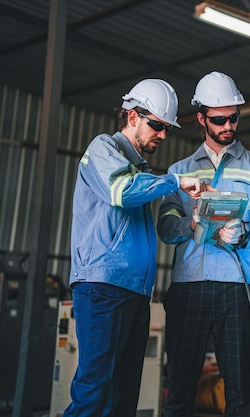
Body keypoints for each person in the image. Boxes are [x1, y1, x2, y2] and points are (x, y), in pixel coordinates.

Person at [65, 78, 204, 417]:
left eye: (166, 128)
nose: (162, 134)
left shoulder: (140, 170)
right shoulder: (103, 150)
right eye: (157, 125)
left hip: (135, 294)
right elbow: (120, 191)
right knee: (94, 391)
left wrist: (192, 224)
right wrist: (174, 180)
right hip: (102, 289)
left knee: (124, 397)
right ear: (132, 117)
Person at [157, 71, 250, 417]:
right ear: (201, 119)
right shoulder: (179, 171)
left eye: (234, 117)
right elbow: (165, 227)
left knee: (240, 393)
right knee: (179, 389)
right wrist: (190, 223)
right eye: (219, 119)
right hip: (189, 288)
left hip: (237, 290)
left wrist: (245, 234)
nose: (228, 125)